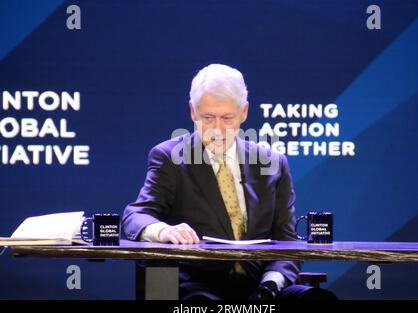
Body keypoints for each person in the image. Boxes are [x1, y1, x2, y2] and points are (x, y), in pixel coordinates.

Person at [123, 64, 336, 300]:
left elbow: (287, 240)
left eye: (227, 118)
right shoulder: (170, 157)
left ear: (244, 112)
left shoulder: (272, 163)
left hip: (262, 287)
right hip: (197, 286)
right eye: (208, 118)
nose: (217, 130)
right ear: (192, 111)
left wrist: (271, 284)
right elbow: (135, 216)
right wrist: (162, 230)